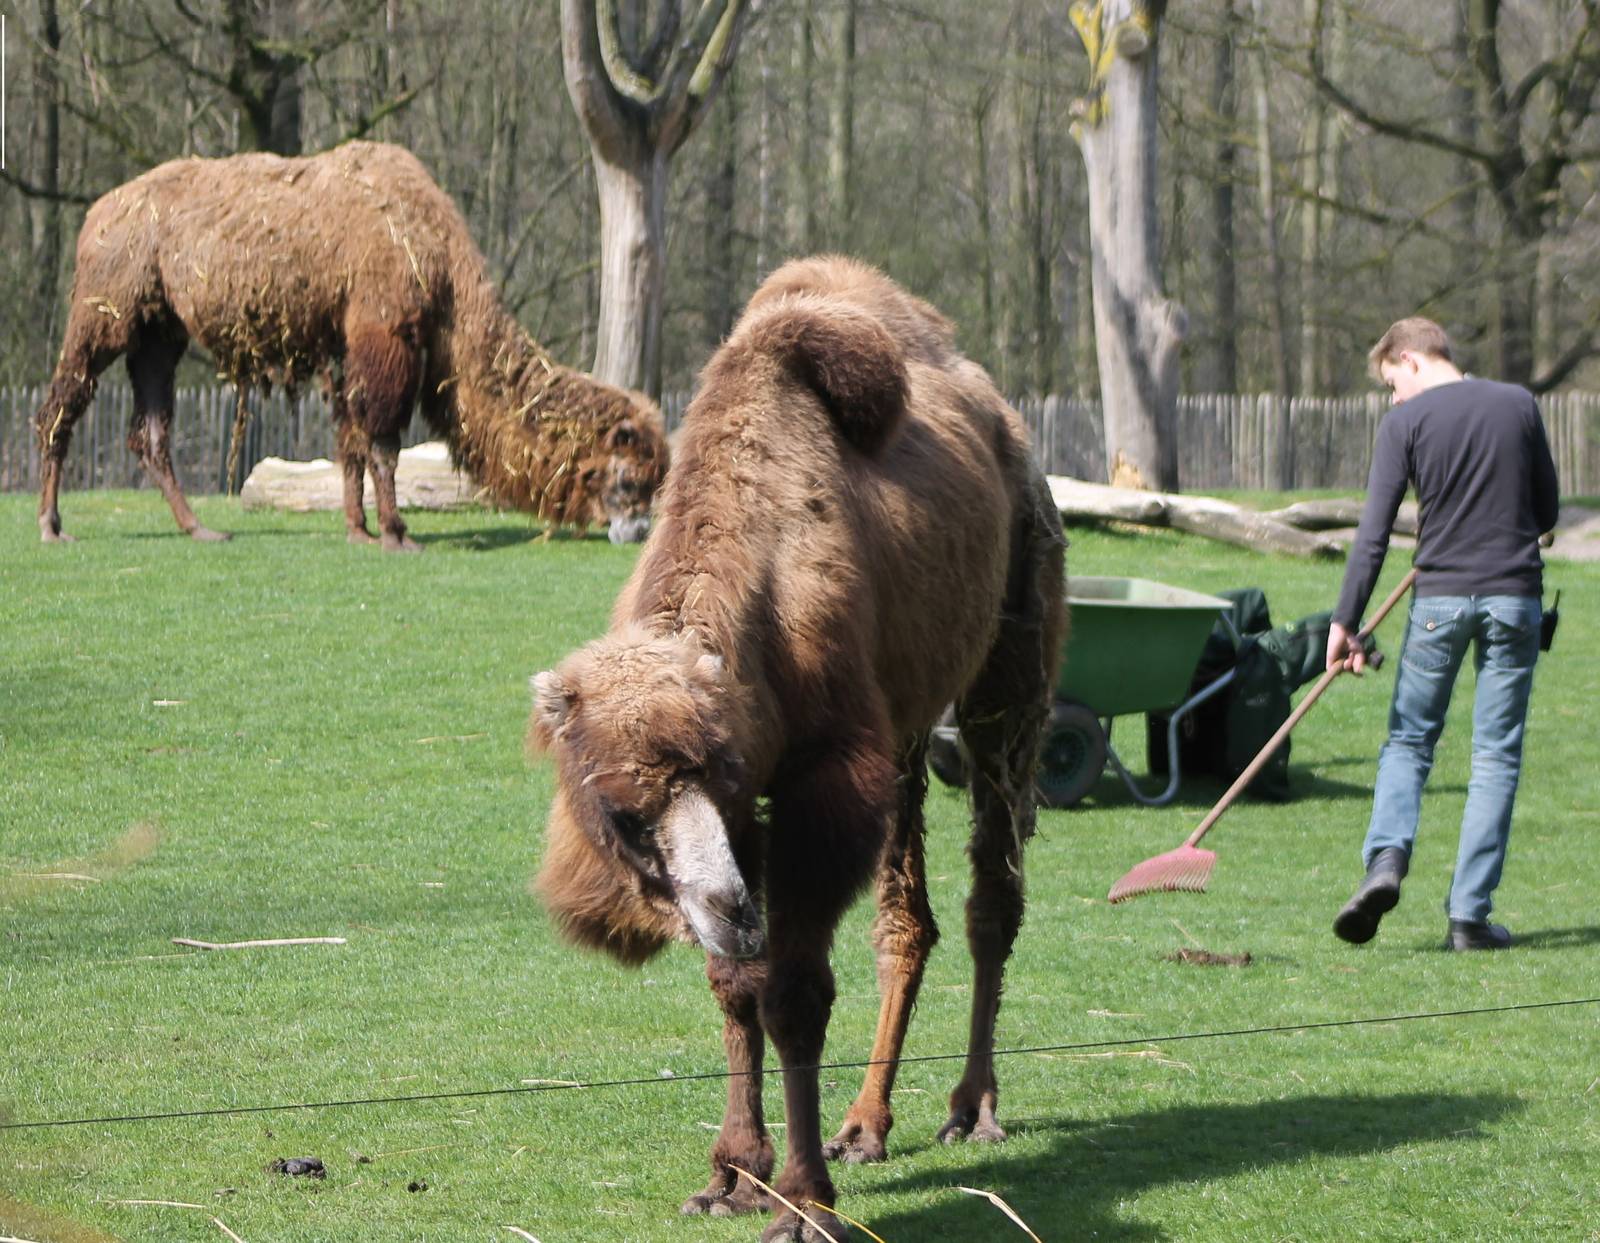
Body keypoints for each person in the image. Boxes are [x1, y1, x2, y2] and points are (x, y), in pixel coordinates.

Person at [1327, 317, 1560, 951]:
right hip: (1514, 599)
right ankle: (1469, 917)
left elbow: (1373, 533)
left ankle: (1386, 860)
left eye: (1391, 383)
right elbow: (1547, 511)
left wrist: (1345, 621)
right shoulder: (1518, 404)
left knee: (1409, 741)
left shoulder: (1406, 423)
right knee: (1496, 756)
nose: (1393, 398)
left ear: (1411, 358)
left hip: (1438, 602)